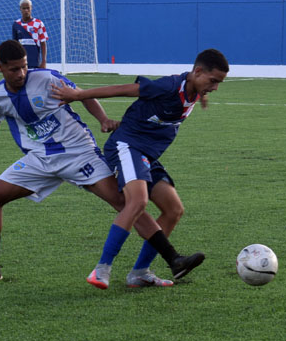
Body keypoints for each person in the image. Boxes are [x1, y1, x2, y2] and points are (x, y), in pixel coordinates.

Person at [0, 40, 205, 286]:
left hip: (79, 153)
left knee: (125, 204)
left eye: (24, 67)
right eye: (14, 69)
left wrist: (102, 119)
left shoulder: (46, 78)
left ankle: (173, 259)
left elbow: (83, 94)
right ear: (0, 68)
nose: (20, 74)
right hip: (39, 160)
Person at [51, 48, 229, 289]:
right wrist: (79, 94)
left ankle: (140, 272)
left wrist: (203, 93)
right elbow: (122, 90)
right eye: (213, 81)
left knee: (173, 209)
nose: (215, 87)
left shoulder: (194, 88)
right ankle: (101, 269)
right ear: (197, 72)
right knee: (137, 202)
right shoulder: (168, 86)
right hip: (127, 146)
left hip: (146, 153)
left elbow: (186, 96)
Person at [12, 0, 48, 69]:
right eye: (24, 8)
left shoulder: (39, 23)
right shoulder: (16, 24)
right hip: (21, 62)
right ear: (20, 9)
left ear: (31, 8)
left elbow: (43, 43)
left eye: (28, 8)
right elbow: (15, 45)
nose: (26, 10)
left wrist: (44, 61)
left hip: (34, 61)